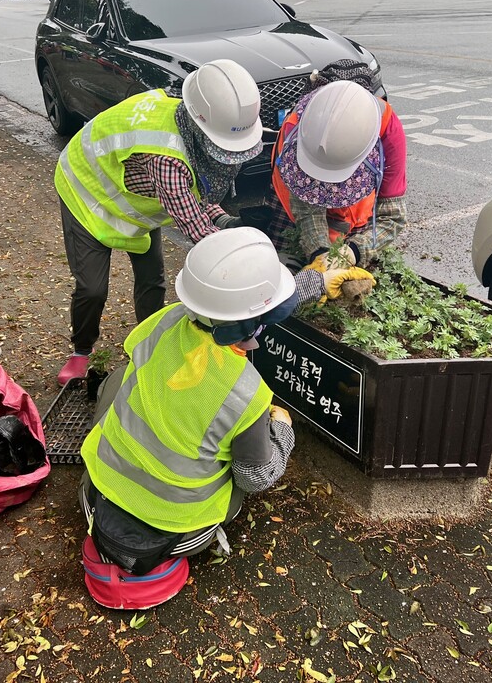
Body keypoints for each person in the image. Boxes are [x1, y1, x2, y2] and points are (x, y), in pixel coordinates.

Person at [79, 228, 374, 570]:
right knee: (243, 466)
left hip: (100, 489)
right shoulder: (245, 392)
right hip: (177, 531)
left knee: (119, 380)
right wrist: (282, 430)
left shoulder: (165, 320)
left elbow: (248, 306)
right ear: (256, 322)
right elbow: (255, 477)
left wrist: (320, 282)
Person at [55, 58, 263, 386]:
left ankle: (148, 341)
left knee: (152, 278)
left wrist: (226, 221)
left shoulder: (198, 121)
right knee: (92, 288)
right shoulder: (167, 160)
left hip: (136, 202)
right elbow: (198, 231)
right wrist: (248, 268)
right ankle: (81, 350)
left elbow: (199, 195)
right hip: (87, 191)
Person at [267, 59, 408, 271]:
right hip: (293, 204)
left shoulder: (387, 128)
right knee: (281, 263)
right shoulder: (297, 127)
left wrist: (354, 251)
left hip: (354, 213)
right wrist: (319, 253)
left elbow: (392, 216)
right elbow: (306, 211)